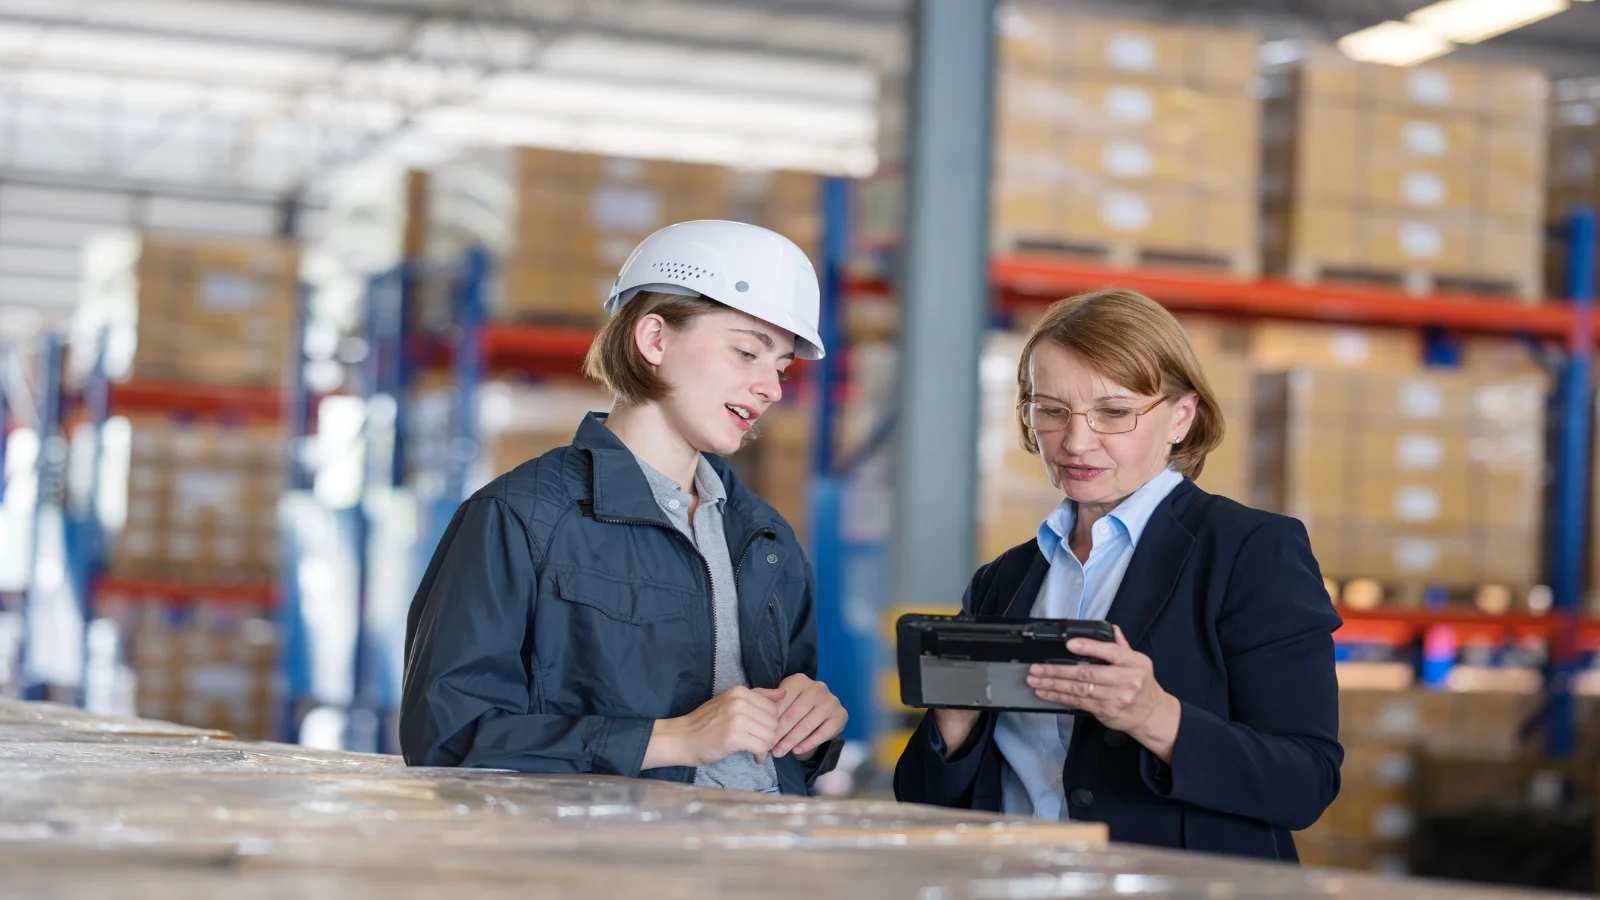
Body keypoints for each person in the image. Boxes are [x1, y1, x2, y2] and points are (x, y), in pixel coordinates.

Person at [400, 220, 847, 795]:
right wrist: (673, 739)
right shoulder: (519, 518)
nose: (772, 389)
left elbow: (771, 741)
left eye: (781, 367)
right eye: (746, 353)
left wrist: (810, 729)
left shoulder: (764, 538)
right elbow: (447, 740)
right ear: (654, 339)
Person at [895, 289, 1342, 861]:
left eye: (1114, 413)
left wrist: (1158, 719)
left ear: (1182, 416)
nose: (1076, 441)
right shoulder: (1002, 581)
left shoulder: (1249, 552)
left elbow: (1306, 782)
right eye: (1052, 411)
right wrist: (953, 724)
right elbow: (923, 799)